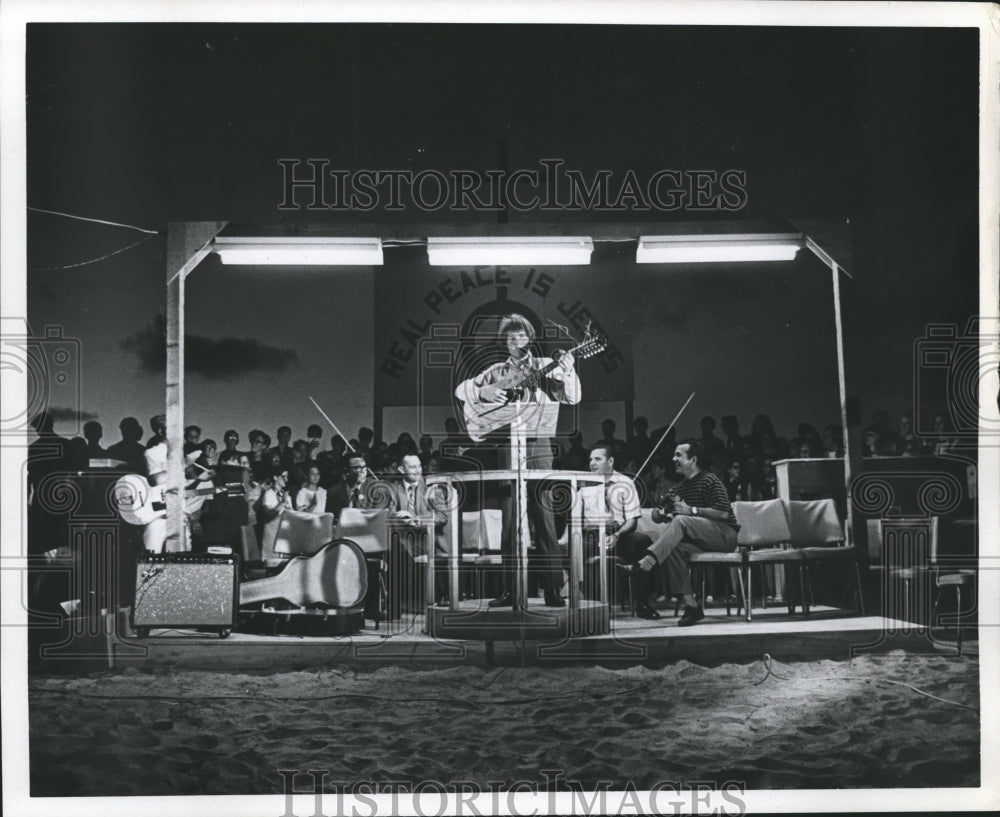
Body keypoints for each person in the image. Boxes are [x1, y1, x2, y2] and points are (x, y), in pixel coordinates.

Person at [455, 312, 580, 608]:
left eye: (521, 335)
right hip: (507, 446)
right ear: (505, 342)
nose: (516, 341)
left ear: (530, 338)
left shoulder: (544, 365)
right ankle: (511, 589)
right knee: (510, 519)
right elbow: (461, 390)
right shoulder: (497, 370)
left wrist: (569, 371)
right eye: (510, 337)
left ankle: (552, 588)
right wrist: (482, 390)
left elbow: (572, 397)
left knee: (544, 515)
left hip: (539, 446)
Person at [620, 439, 738, 624]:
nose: (673, 459)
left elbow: (723, 513)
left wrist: (692, 510)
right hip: (700, 541)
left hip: (724, 535)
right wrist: (660, 513)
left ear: (693, 460)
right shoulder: (678, 487)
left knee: (681, 520)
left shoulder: (710, 480)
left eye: (678, 455)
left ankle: (645, 564)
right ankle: (692, 607)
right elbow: (656, 515)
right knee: (672, 549)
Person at [385, 452, 450, 605]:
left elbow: (442, 517)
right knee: (394, 547)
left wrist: (417, 520)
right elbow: (390, 516)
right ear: (401, 470)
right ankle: (401, 601)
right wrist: (405, 520)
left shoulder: (432, 488)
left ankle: (428, 598)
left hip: (429, 539)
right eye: (413, 467)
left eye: (419, 466)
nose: (418, 470)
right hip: (404, 539)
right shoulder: (393, 489)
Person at [327, 453, 374, 517]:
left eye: (364, 467)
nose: (363, 471)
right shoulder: (333, 492)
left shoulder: (374, 488)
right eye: (358, 468)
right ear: (346, 471)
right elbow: (330, 518)